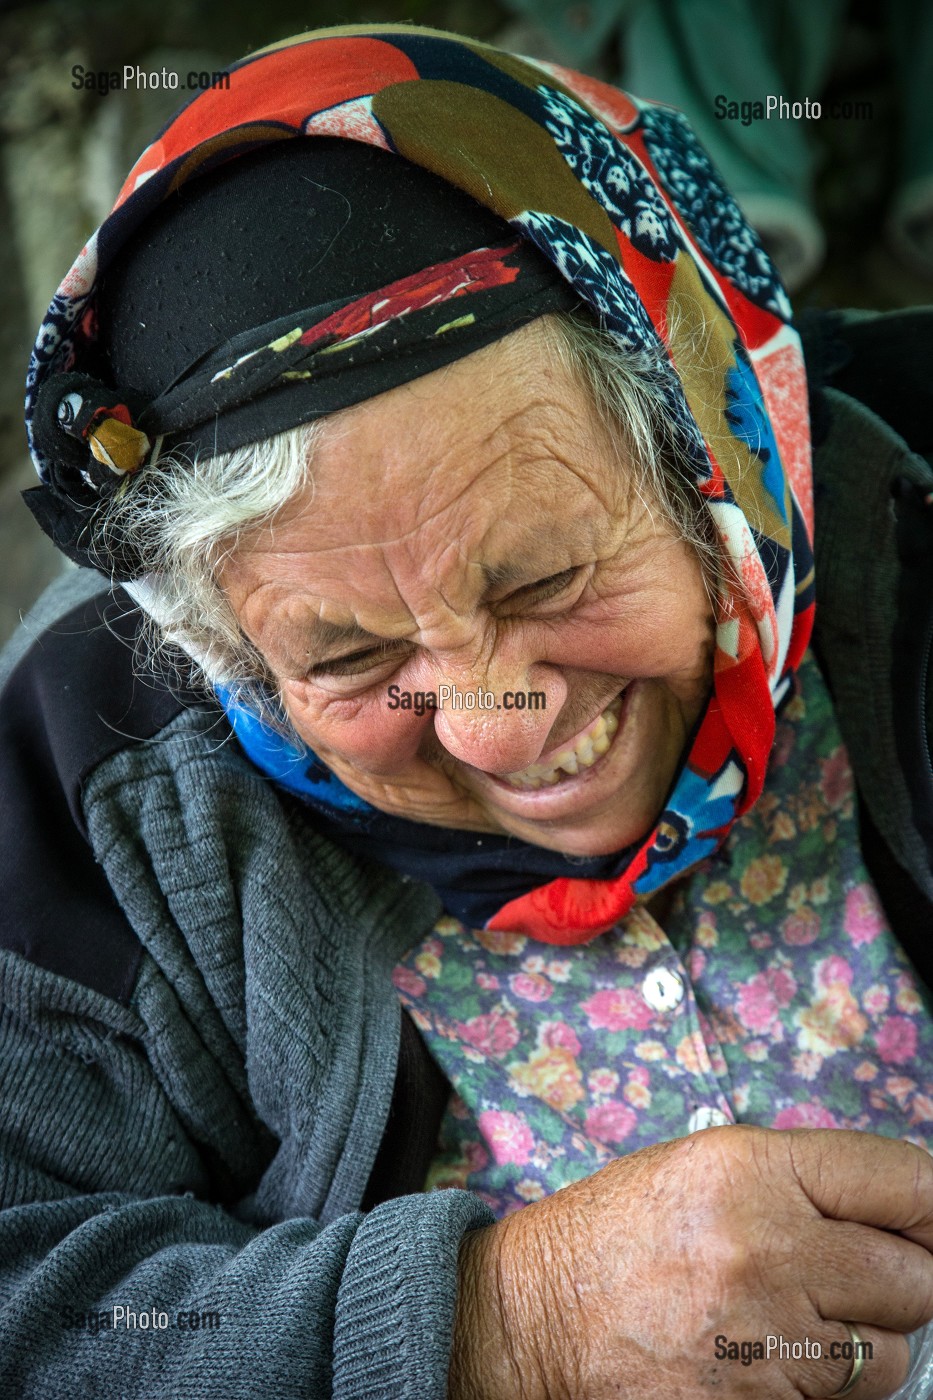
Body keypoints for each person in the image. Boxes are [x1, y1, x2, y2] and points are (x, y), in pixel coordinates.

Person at [3, 22, 933, 1400]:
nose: (496, 731)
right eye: (347, 657)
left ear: (714, 454)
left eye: (547, 577)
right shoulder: (105, 763)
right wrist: (502, 1324)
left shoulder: (909, 511)